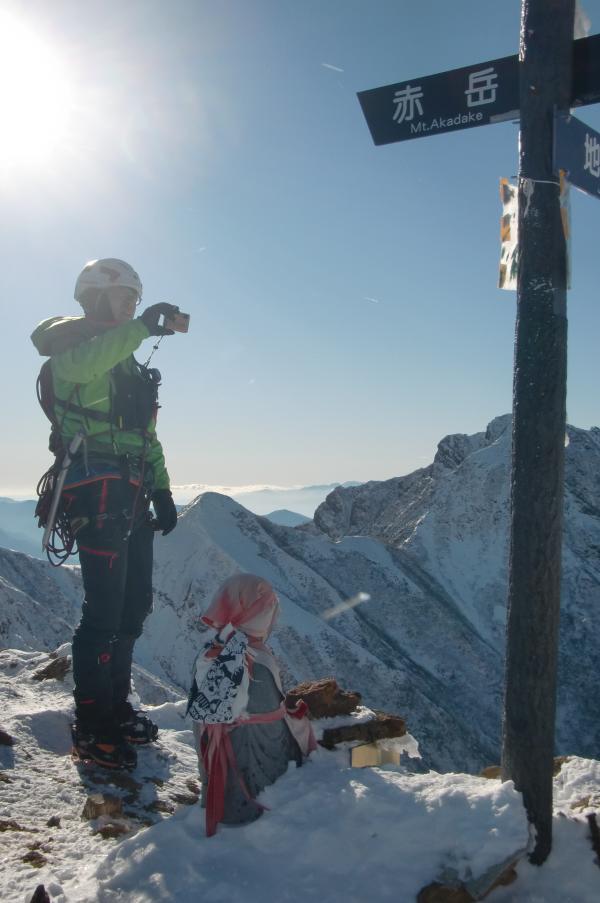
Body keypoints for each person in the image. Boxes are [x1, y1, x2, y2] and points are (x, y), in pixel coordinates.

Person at [31, 257, 180, 769]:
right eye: (122, 298)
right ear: (93, 296)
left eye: (134, 301)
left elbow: (145, 436)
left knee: (134, 606)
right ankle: (94, 721)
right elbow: (81, 369)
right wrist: (139, 329)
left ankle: (116, 706)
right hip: (94, 487)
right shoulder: (71, 349)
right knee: (104, 610)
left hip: (131, 490)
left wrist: (162, 488)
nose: (130, 307)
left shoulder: (125, 361)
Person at [187, 573, 316, 836]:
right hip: (256, 782)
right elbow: (271, 729)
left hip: (215, 771)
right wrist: (300, 722)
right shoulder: (257, 660)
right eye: (267, 607)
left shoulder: (210, 653)